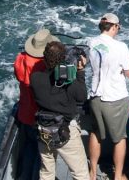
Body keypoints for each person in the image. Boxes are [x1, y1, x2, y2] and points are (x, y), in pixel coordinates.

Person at [87, 12, 129, 180]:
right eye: (118, 27)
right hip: (115, 100)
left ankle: (92, 173)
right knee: (120, 138)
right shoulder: (121, 47)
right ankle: (118, 176)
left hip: (95, 98)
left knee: (95, 133)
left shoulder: (91, 42)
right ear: (114, 27)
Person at [30, 40, 90, 180]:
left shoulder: (35, 78)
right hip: (65, 131)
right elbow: (82, 96)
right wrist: (80, 72)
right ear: (64, 58)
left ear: (44, 58)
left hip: (43, 130)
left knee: (46, 172)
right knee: (80, 173)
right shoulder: (70, 82)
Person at [13, 28, 60, 180]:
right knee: (43, 153)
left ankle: (24, 176)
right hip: (41, 116)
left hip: (25, 112)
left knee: (30, 147)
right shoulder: (44, 65)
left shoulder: (20, 59)